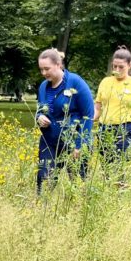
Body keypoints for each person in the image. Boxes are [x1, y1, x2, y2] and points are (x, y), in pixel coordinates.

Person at [35, 48, 94, 193]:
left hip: (73, 141)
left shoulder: (76, 82)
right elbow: (40, 110)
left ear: (58, 64)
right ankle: (42, 210)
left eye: (47, 69)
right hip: (49, 142)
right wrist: (39, 118)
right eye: (41, 69)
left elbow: (88, 114)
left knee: (78, 184)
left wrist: (80, 145)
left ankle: (77, 211)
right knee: (44, 179)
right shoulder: (43, 86)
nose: (44, 73)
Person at [93, 47, 131, 163]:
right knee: (106, 165)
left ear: (129, 65)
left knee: (120, 165)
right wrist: (86, 121)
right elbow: (97, 109)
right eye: (114, 66)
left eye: (121, 67)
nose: (117, 70)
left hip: (125, 129)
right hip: (104, 128)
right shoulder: (105, 82)